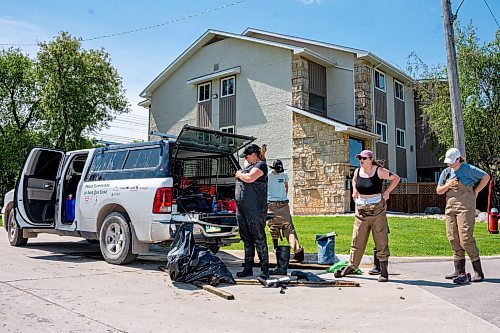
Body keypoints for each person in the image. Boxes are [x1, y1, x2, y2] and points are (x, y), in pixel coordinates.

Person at [335, 150, 400, 282]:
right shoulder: (357, 171)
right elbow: (354, 180)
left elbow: (396, 178)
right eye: (360, 158)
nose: (361, 160)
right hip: (361, 211)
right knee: (357, 239)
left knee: (381, 240)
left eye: (364, 158)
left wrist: (387, 191)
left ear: (370, 159)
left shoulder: (379, 171)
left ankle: (383, 270)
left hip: (377, 210)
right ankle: (352, 266)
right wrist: (355, 190)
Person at [436, 148, 490, 282]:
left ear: (458, 159)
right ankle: (459, 271)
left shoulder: (468, 169)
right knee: (453, 237)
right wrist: (449, 184)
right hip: (450, 207)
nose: (449, 164)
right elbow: (439, 191)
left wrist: (476, 191)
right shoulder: (446, 172)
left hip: (466, 206)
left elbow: (486, 177)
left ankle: (478, 272)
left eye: (452, 162)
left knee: (465, 237)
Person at [234, 144, 269, 278]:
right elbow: (246, 174)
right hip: (242, 209)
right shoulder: (247, 167)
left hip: (255, 209)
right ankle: (248, 267)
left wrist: (239, 174)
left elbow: (250, 178)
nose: (246, 159)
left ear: (254, 154)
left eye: (247, 156)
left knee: (258, 238)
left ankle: (264, 270)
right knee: (246, 239)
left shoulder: (261, 166)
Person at [267, 159, 304, 263]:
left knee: (274, 228)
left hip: (272, 205)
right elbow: (286, 187)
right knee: (288, 228)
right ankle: (298, 252)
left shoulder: (269, 175)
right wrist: (283, 196)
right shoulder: (281, 174)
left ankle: (277, 250)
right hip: (283, 205)